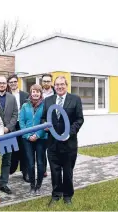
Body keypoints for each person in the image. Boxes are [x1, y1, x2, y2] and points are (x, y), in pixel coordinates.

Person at [41, 76, 84, 206]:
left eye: (62, 84)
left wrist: (69, 133)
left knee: (68, 170)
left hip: (68, 143)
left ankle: (67, 196)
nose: (59, 87)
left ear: (66, 85)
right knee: (54, 170)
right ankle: (56, 195)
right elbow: (43, 118)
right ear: (54, 86)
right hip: (52, 142)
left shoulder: (75, 99)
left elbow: (79, 119)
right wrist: (45, 126)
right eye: (57, 84)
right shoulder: (48, 100)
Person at [19, 84, 47, 196]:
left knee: (40, 163)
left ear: (41, 93)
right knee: (30, 164)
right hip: (27, 138)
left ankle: (38, 185)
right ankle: (32, 185)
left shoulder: (45, 106)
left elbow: (45, 123)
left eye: (37, 92)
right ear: (30, 93)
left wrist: (38, 135)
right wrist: (28, 136)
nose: (35, 93)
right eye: (33, 91)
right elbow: (21, 122)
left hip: (41, 138)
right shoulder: (25, 106)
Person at [0, 76, 18, 194]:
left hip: (8, 133)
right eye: (0, 83)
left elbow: (15, 115)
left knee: (7, 160)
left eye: (4, 83)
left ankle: (4, 183)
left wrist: (8, 128)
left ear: (6, 84)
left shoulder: (12, 98)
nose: (2, 85)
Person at [7, 74, 30, 182]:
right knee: (12, 147)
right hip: (11, 125)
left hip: (23, 125)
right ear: (8, 84)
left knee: (24, 148)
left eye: (14, 81)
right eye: (10, 82)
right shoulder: (6, 96)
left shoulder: (25, 95)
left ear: (18, 82)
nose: (13, 84)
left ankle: (25, 172)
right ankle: (11, 168)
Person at [41, 73, 56, 178]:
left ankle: (55, 169)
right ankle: (43, 169)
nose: (46, 83)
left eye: (48, 81)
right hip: (42, 124)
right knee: (41, 150)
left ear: (51, 82)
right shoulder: (37, 92)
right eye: (44, 81)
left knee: (53, 149)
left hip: (55, 125)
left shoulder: (57, 93)